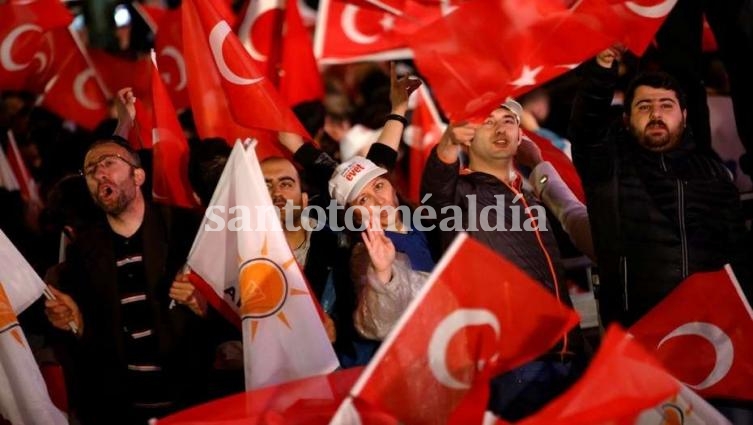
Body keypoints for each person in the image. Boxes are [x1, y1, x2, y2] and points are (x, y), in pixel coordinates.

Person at [421, 99, 587, 421]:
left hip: (568, 351)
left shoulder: (527, 194)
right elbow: (435, 186)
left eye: (508, 120)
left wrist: (537, 167)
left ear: (520, 134)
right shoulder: (458, 196)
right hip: (514, 363)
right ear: (468, 135)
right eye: (487, 121)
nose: (499, 128)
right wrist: (448, 142)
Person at [568, 47, 749, 327]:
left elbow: (738, 256)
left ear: (684, 116)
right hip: (640, 335)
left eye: (666, 105)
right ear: (626, 120)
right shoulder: (608, 166)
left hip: (712, 334)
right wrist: (602, 68)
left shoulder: (714, 174)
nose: (656, 113)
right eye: (644, 106)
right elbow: (586, 128)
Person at [43, 136, 210, 424]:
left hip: (191, 403)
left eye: (108, 162)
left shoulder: (188, 229)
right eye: (90, 170)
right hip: (123, 410)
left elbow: (233, 311)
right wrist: (75, 323)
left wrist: (204, 304)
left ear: (139, 175)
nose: (98, 173)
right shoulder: (81, 253)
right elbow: (89, 346)